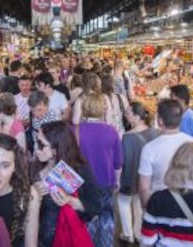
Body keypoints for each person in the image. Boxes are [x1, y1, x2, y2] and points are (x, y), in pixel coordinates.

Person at [32, 121, 104, 247]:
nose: (36, 149)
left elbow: (95, 206)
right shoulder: (35, 167)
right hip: (38, 237)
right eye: (36, 141)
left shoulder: (79, 170)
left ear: (56, 147)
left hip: (66, 237)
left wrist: (69, 200)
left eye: (41, 144)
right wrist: (32, 194)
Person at [76, 94, 122, 247]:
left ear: (83, 109)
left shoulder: (75, 131)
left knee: (86, 220)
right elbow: (117, 162)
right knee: (106, 220)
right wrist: (117, 182)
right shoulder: (111, 131)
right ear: (102, 109)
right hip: (105, 181)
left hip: (82, 184)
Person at [138, 99, 193, 208]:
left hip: (160, 206)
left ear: (160, 120)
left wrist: (148, 210)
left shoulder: (150, 148)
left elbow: (144, 187)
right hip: (189, 206)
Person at [118, 102, 159, 243]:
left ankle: (127, 233)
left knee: (123, 202)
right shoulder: (154, 132)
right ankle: (138, 233)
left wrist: (118, 179)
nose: (126, 115)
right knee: (139, 203)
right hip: (146, 177)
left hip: (130, 176)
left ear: (136, 117)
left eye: (128, 113)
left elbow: (124, 161)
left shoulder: (127, 136)